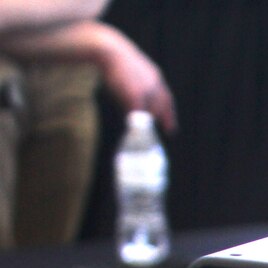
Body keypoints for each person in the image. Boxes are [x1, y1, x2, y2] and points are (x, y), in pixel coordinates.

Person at [0, 0, 173, 248]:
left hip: (58, 58)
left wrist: (99, 44)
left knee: (42, 259)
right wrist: (98, 42)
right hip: (52, 45)